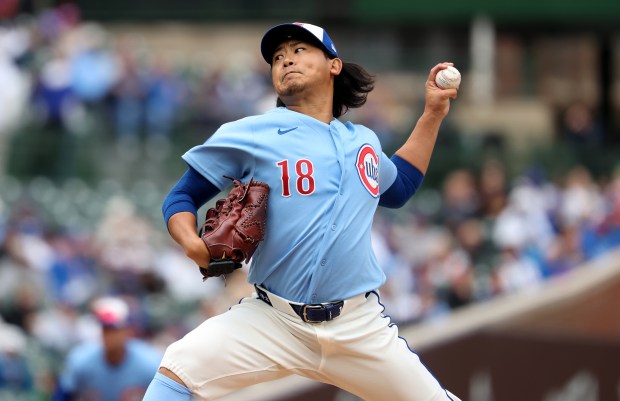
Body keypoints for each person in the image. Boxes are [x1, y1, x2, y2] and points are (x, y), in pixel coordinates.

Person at [144, 22, 461, 401]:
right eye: (278, 57)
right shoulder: (251, 133)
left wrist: (432, 114)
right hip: (273, 320)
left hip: (357, 326)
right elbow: (180, 198)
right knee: (176, 370)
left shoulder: (362, 141)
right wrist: (193, 244)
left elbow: (400, 188)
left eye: (299, 51)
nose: (285, 60)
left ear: (334, 65)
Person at [53, 296, 162, 401]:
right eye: (105, 330)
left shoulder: (149, 363)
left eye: (114, 330)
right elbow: (62, 395)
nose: (109, 336)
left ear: (127, 330)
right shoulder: (81, 361)